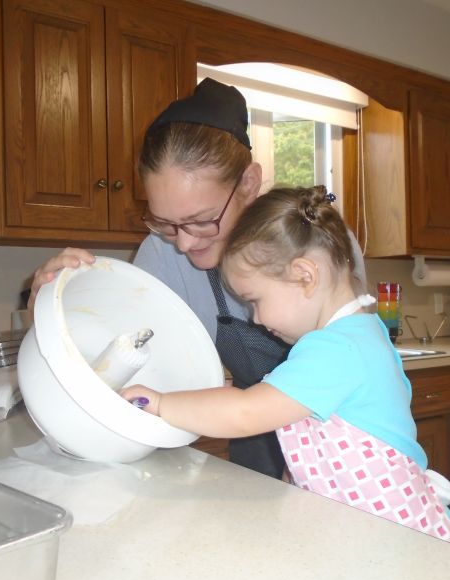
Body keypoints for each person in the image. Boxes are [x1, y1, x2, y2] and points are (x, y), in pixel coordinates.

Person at [28, 78, 367, 480]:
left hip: (343, 441)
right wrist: (48, 307)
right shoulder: (162, 254)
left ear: (248, 183)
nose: (185, 244)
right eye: (166, 223)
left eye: (201, 221)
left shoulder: (317, 243)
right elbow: (115, 361)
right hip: (248, 434)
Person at [121, 186, 450, 549]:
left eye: (255, 300)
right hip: (363, 538)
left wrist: (161, 403)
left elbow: (245, 412)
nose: (255, 319)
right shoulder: (350, 336)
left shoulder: (338, 348)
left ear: (305, 276)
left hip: (396, 541)